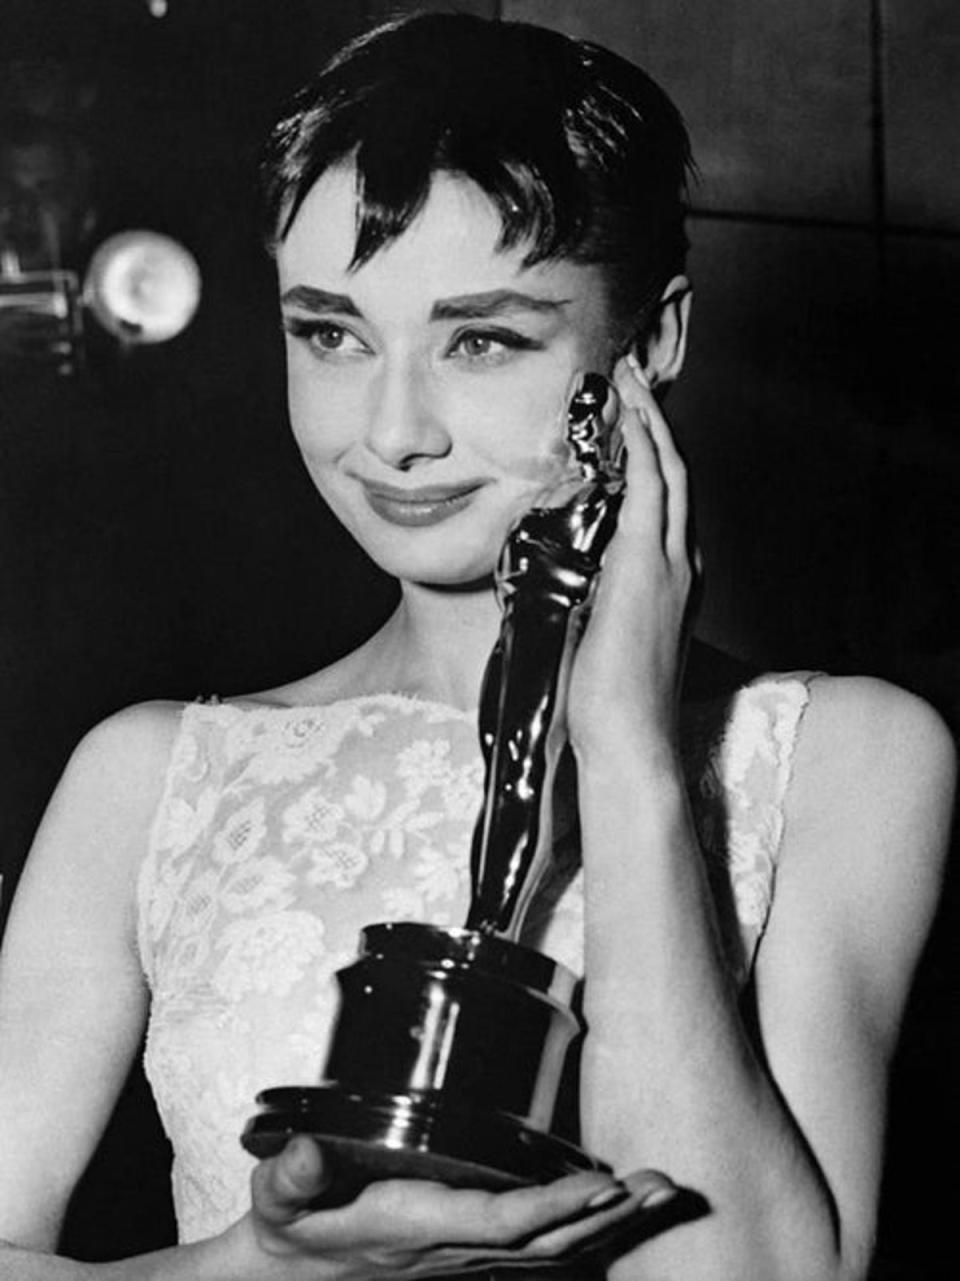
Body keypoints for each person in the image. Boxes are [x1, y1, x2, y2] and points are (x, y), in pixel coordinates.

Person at [0, 13, 954, 1280]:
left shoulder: (852, 758)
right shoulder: (151, 777)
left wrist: (627, 758)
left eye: (482, 339)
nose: (391, 432)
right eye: (331, 334)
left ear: (649, 344)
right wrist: (258, 1269)